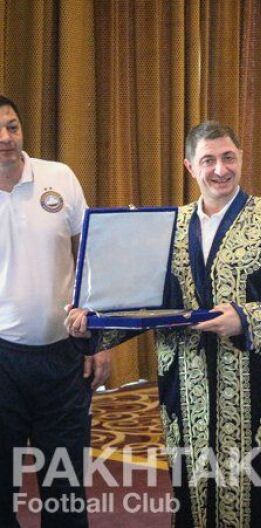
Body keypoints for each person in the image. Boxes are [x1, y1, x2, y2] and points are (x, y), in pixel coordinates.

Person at [67, 121, 261, 527]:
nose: (220, 170)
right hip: (186, 385)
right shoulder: (167, 227)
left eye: (228, 158)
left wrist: (245, 318)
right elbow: (142, 301)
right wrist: (93, 322)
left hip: (257, 388)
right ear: (190, 167)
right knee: (192, 492)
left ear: (242, 158)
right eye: (208, 160)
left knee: (260, 491)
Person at [0, 96, 111, 527]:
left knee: (65, 490)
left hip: (64, 358)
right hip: (3, 361)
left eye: (12, 126)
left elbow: (92, 255)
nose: (5, 138)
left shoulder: (59, 177)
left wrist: (100, 339)